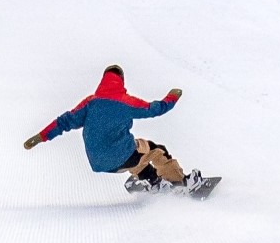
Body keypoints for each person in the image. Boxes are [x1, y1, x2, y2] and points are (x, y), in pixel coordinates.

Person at [23, 64, 197, 192]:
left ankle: (152, 181)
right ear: (121, 80)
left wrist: (41, 136)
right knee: (156, 150)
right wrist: (172, 97)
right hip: (121, 155)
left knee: (135, 152)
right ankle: (180, 183)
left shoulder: (90, 103)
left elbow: (64, 122)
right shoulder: (125, 101)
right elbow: (155, 110)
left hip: (99, 163)